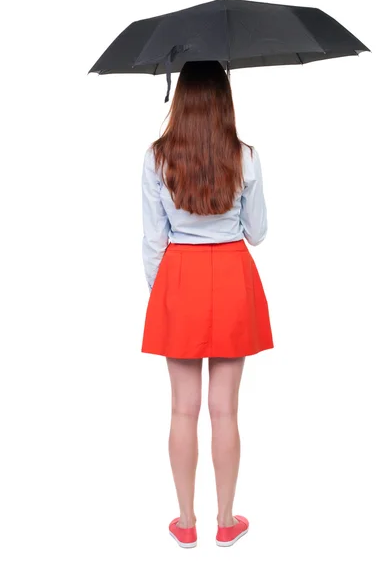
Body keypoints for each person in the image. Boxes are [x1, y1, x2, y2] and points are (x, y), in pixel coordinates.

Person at [140, 60, 274, 548]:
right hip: (232, 275)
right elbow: (257, 234)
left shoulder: (157, 157)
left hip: (180, 276)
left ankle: (186, 523)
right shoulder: (246, 155)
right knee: (224, 411)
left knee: (182, 410)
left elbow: (153, 240)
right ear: (224, 98)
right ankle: (226, 521)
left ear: (181, 100)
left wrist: (167, 294)